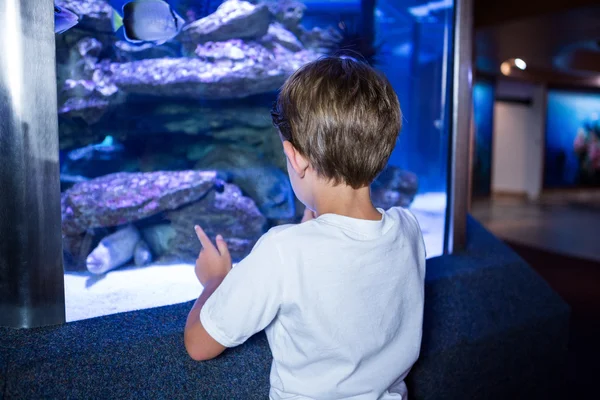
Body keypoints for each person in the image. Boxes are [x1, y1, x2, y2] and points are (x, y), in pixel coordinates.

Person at [184, 56, 426, 400]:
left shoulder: (283, 252)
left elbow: (199, 344)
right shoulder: (409, 228)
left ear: (294, 157)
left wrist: (215, 279)